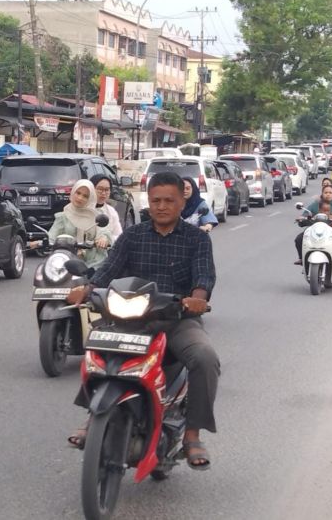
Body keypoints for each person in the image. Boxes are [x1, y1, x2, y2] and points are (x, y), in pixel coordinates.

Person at [66, 172, 220, 470]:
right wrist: (86, 289)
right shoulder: (133, 235)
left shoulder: (197, 239)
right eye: (155, 200)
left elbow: (204, 275)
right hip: (131, 317)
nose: (161, 206)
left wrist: (197, 298)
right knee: (97, 346)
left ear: (181, 201)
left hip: (176, 318)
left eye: (169, 201)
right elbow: (108, 269)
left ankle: (192, 434)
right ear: (147, 202)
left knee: (205, 358)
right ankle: (92, 416)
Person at [30, 180, 113, 267]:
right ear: (73, 193)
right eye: (78, 193)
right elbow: (52, 237)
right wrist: (39, 243)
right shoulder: (63, 216)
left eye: (85, 196)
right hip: (66, 260)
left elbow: (103, 231)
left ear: (90, 198)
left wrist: (103, 239)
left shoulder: (97, 216)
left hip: (93, 263)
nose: (80, 198)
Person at [294, 185, 332, 275]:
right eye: (326, 192)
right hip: (315, 230)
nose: (328, 194)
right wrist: (302, 218)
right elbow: (305, 214)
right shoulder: (314, 205)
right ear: (322, 194)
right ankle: (302, 259)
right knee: (299, 239)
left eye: (330, 193)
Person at [89, 174, 124, 240]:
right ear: (91, 189)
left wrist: (107, 239)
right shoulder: (82, 209)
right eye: (100, 189)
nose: (104, 193)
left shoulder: (111, 211)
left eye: (107, 190)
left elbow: (119, 235)